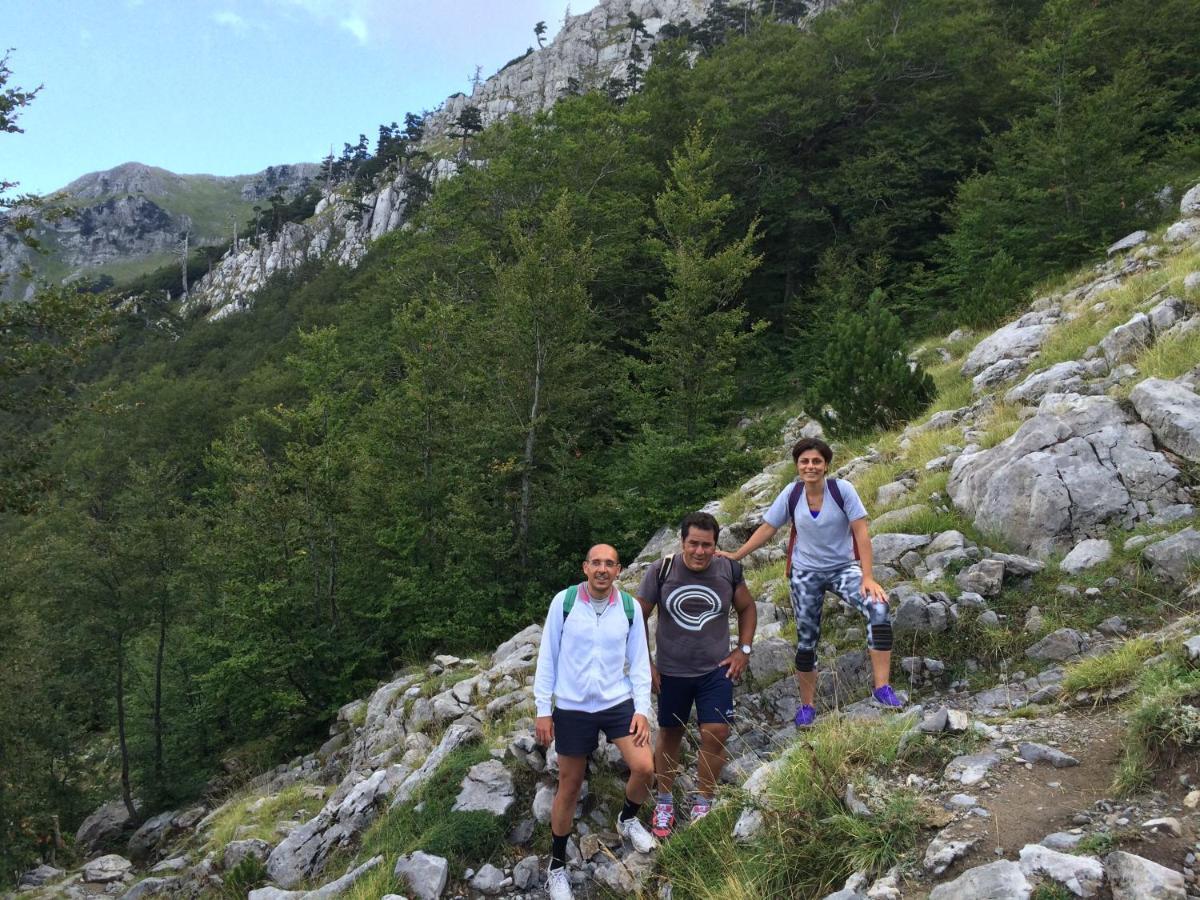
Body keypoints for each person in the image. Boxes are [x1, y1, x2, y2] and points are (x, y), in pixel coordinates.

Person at [721, 437, 900, 728]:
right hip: (805, 572)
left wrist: (868, 577)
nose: (811, 466)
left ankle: (882, 688)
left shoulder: (842, 490)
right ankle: (807, 706)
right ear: (797, 466)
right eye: (804, 461)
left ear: (826, 465)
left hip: (844, 568)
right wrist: (736, 554)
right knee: (806, 640)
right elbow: (768, 528)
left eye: (816, 461)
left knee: (878, 609)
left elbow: (861, 533)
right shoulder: (791, 494)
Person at [533, 544, 657, 900]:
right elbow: (548, 656)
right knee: (569, 786)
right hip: (571, 706)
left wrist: (641, 710)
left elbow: (638, 662)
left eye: (610, 564)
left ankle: (628, 819)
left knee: (645, 767)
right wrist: (544, 708)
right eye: (596, 563)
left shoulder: (630, 608)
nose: (602, 569)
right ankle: (557, 867)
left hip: (616, 701)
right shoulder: (565, 602)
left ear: (618, 570)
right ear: (585, 567)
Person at [637, 511, 757, 839]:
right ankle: (664, 801)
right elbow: (636, 619)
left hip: (714, 670)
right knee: (670, 733)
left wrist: (743, 650)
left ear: (716, 545)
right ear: (682, 542)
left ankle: (703, 800)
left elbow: (747, 607)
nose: (700, 551)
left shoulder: (728, 570)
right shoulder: (661, 571)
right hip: (671, 672)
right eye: (694, 544)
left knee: (716, 731)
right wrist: (644, 664)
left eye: (707, 545)